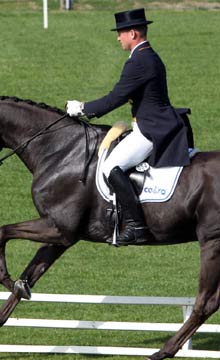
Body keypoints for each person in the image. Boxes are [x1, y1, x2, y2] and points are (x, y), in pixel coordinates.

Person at [66, 8, 190, 245]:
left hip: (151, 130)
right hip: (149, 123)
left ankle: (137, 226)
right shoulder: (146, 55)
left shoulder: (140, 61)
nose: (118, 38)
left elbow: (114, 98)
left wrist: (82, 109)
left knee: (111, 166)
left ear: (132, 33)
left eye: (120, 33)